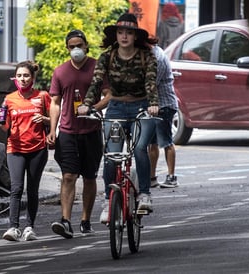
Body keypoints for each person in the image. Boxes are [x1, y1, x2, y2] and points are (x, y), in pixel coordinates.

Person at [78, 13, 159, 222]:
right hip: (116, 109)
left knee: (140, 148)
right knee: (112, 155)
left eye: (129, 33)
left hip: (142, 107)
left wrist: (153, 104)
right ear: (116, 35)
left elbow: (151, 83)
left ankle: (144, 195)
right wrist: (87, 105)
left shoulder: (146, 56)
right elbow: (96, 83)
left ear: (135, 36)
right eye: (120, 32)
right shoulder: (107, 56)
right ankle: (108, 199)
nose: (124, 36)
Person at [47, 30, 104, 239]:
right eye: (72, 46)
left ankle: (85, 220)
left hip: (92, 130)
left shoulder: (97, 67)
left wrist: (93, 108)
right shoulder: (60, 72)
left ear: (86, 46)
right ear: (67, 48)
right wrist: (52, 130)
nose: (76, 49)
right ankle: (65, 220)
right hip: (68, 131)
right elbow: (55, 103)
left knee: (90, 177)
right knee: (68, 175)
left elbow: (109, 95)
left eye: (79, 45)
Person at [0, 60, 50, 241]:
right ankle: (13, 228)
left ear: (33, 77)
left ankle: (29, 227)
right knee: (16, 188)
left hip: (38, 149)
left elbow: (54, 120)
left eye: (26, 75)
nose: (23, 79)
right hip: (15, 149)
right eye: (19, 75)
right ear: (15, 78)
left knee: (32, 190)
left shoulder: (42, 96)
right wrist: (1, 120)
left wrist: (44, 118)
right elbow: (5, 128)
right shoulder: (9, 99)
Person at [149, 45, 179, 188]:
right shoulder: (152, 54)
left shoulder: (158, 58)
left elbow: (151, 83)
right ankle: (152, 177)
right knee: (152, 143)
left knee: (166, 141)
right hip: (154, 106)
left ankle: (171, 177)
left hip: (164, 105)